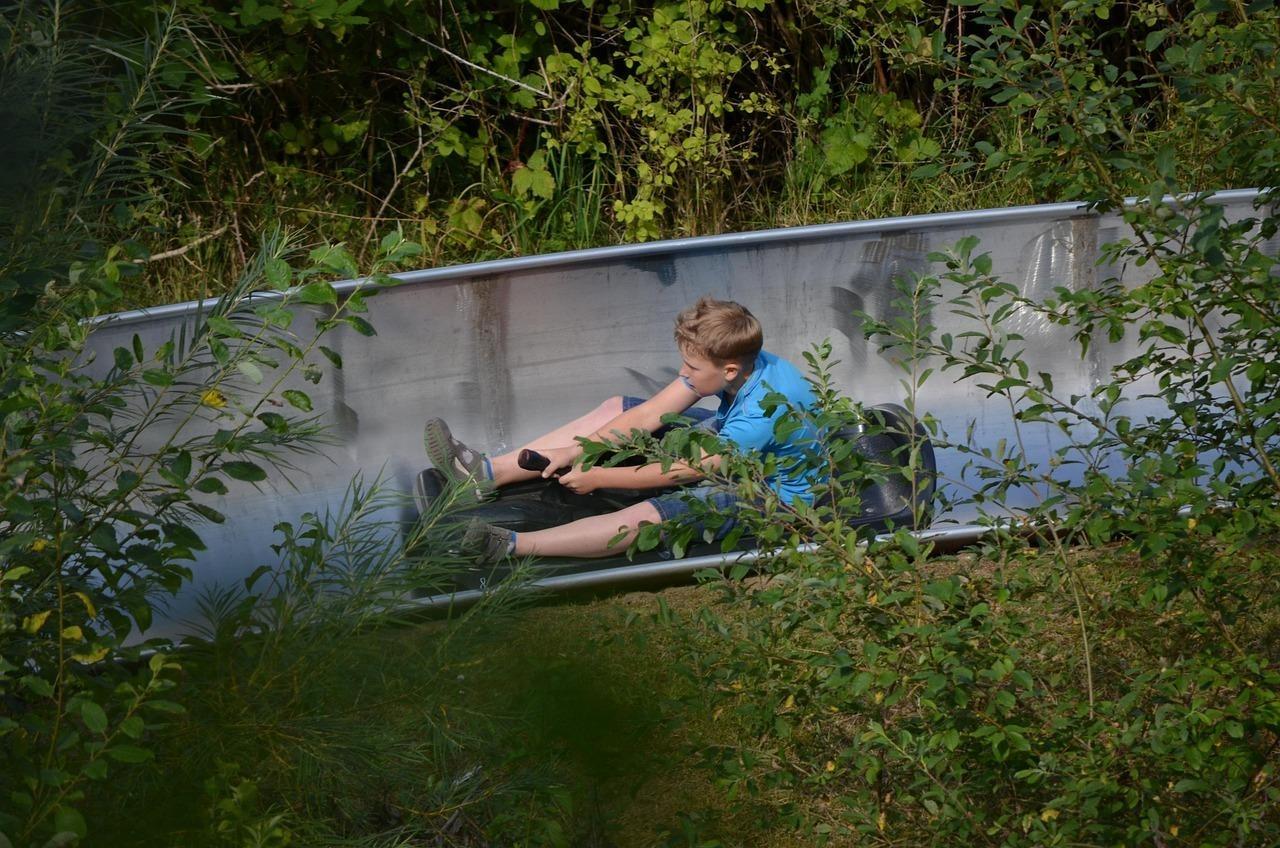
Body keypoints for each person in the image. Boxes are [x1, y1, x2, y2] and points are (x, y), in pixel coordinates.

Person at [424, 297, 820, 563]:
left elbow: (683, 469)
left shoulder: (761, 414)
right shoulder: (737, 358)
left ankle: (507, 546)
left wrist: (599, 476)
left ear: (729, 370)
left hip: (771, 497)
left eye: (693, 369)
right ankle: (487, 473)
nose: (684, 374)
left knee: (655, 515)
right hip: (734, 448)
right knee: (619, 407)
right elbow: (649, 415)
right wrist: (574, 452)